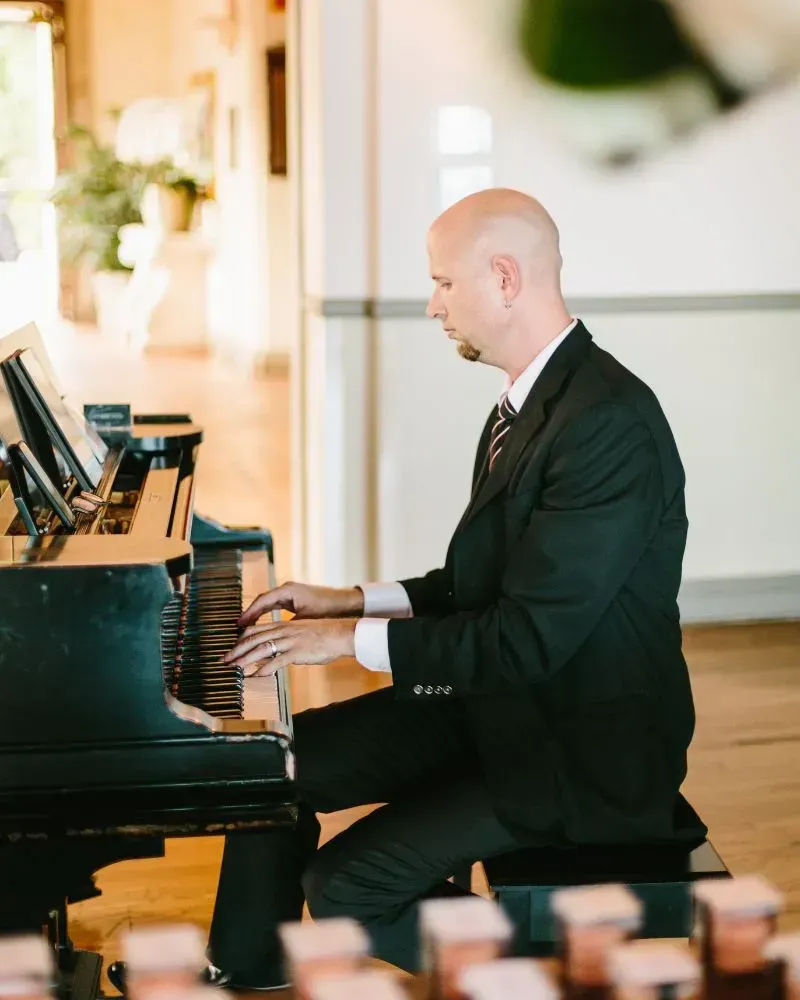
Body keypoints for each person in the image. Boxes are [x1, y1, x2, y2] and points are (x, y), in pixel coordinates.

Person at [117, 187, 705, 992]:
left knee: (346, 886)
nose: (432, 306)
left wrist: (344, 644)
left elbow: (525, 638)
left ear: (503, 277)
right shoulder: (531, 401)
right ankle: (248, 964)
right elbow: (476, 587)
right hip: (499, 704)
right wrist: (351, 602)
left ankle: (544, 974)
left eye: (443, 283)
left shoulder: (607, 423)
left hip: (578, 750)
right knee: (275, 768)